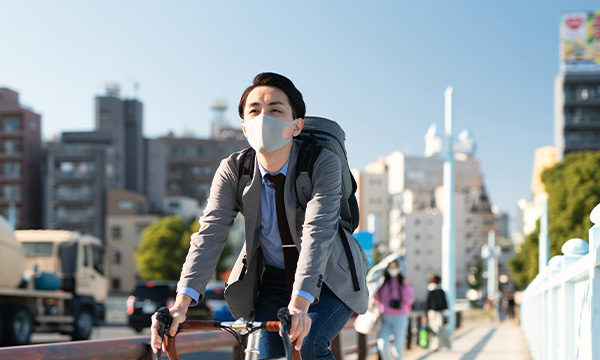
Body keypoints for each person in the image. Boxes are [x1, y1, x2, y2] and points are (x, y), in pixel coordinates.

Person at [150, 72, 368, 360]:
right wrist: (180, 305)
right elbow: (209, 235)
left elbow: (318, 232)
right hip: (274, 279)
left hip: (330, 276)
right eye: (254, 110)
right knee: (265, 356)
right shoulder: (234, 170)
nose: (263, 117)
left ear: (296, 125)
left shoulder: (320, 161)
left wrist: (300, 307)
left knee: (308, 345)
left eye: (276, 110)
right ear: (243, 126)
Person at [372, 260, 414, 360]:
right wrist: (372, 302)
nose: (393, 269)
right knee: (382, 344)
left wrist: (406, 286)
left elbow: (410, 299)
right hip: (385, 318)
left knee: (398, 346)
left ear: (399, 268)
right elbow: (375, 297)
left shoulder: (404, 282)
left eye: (395, 267)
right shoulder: (383, 282)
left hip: (400, 316)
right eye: (391, 267)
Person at [425, 275, 451, 351]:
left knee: (436, 330)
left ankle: (436, 345)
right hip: (437, 313)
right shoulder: (440, 291)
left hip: (432, 313)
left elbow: (427, 304)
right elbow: (444, 303)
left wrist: (425, 315)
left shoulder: (432, 291)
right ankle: (437, 345)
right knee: (438, 329)